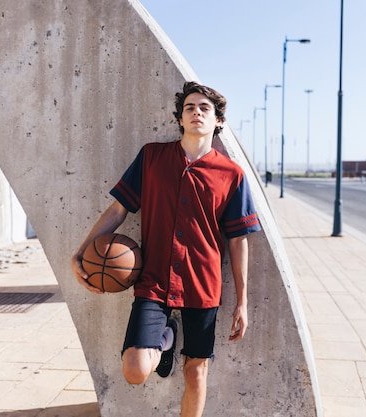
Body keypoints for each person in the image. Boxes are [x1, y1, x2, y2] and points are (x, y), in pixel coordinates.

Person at [70, 81, 261, 417]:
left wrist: (242, 302)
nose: (196, 112)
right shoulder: (152, 157)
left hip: (203, 285)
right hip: (154, 280)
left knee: (195, 372)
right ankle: (166, 338)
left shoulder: (231, 174)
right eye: (189, 107)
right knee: (135, 369)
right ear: (180, 118)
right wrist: (82, 250)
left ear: (218, 121)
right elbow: (118, 209)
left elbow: (237, 239)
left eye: (205, 108)